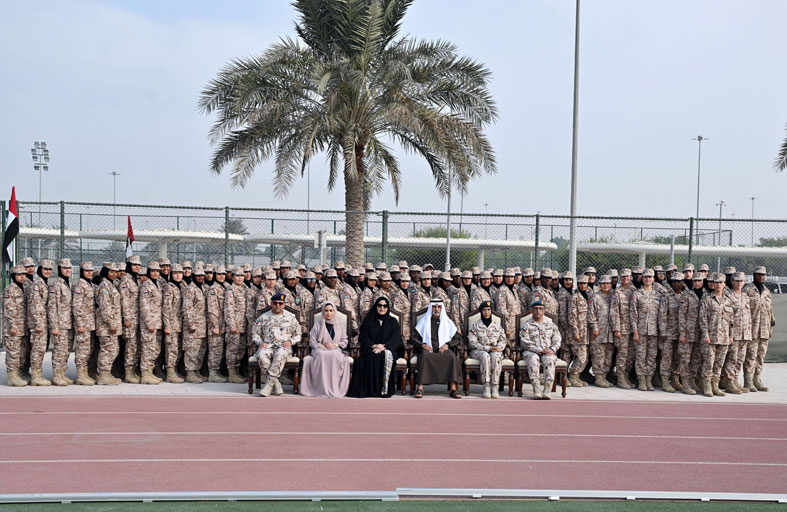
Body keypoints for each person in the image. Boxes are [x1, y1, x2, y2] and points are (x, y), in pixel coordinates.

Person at [348, 296, 403, 398]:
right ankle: (371, 390)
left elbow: (396, 338)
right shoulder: (368, 320)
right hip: (371, 348)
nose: (382, 308)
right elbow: (363, 337)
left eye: (385, 306)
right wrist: (374, 345)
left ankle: (382, 389)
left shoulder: (393, 321)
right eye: (379, 305)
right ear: (376, 307)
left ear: (388, 308)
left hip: (389, 349)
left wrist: (384, 347)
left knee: (383, 356)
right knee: (365, 360)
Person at [411, 299, 463, 399]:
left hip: (443, 349)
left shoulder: (447, 322)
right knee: (425, 356)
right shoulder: (424, 321)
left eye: (439, 307)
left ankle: (453, 389)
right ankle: (420, 388)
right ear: (430, 308)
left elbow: (457, 338)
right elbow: (413, 337)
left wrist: (447, 345)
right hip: (428, 349)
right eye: (434, 307)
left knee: (452, 357)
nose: (436, 309)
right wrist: (423, 345)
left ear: (442, 308)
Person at [251, 293, 300, 397]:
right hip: (268, 346)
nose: (278, 305)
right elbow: (254, 333)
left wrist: (290, 341)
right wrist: (260, 342)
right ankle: (276, 383)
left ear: (284, 305)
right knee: (261, 354)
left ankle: (269, 385)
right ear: (271, 304)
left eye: (280, 303)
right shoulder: (263, 317)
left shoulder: (291, 318)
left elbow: (298, 335)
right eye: (275, 303)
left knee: (280, 353)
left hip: (284, 347)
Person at [300, 302, 351, 397]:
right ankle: (321, 387)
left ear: (334, 312)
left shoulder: (340, 325)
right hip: (320, 349)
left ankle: (333, 387)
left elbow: (345, 341)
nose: (328, 313)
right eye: (326, 311)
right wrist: (323, 347)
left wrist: (335, 345)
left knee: (334, 354)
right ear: (323, 312)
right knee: (322, 354)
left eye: (331, 311)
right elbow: (312, 341)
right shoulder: (317, 325)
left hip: (335, 349)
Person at [699, 273, 734, 397]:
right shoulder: (707, 299)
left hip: (724, 337)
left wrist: (731, 335)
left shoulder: (728, 301)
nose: (718, 285)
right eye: (716, 282)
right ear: (712, 284)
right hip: (710, 337)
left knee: (719, 363)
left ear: (724, 284)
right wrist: (705, 334)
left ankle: (715, 385)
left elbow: (731, 321)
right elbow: (702, 319)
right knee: (709, 362)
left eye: (721, 282)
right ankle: (707, 386)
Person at [520, 300, 562, 399]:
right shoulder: (526, 325)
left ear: (544, 311)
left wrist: (552, 349)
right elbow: (524, 341)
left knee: (550, 359)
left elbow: (557, 340)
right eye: (535, 309)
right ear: (531, 310)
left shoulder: (550, 325)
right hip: (531, 352)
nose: (538, 311)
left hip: (548, 352)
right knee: (533, 359)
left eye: (540, 309)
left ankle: (547, 390)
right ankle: (537, 390)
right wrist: (540, 350)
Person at [743, 266, 774, 392]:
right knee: (751, 356)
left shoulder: (767, 291)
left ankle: (757, 379)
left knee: (760, 357)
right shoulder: (747, 290)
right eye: (758, 274)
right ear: (754, 275)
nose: (761, 277)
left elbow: (770, 311)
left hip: (764, 330)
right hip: (752, 330)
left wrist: (770, 327)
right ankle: (748, 381)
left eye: (763, 275)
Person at [467, 301, 507, 399]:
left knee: (496, 356)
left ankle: (495, 386)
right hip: (478, 351)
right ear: (481, 312)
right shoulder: (475, 326)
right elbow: (473, 342)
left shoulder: (497, 326)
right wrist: (487, 348)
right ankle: (486, 386)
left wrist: (498, 348)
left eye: (489, 310)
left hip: (495, 351)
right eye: (484, 310)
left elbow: (503, 340)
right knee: (485, 356)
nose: (486, 312)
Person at [630, 269, 660, 391]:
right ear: (642, 279)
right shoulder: (637, 294)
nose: (648, 279)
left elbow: (661, 315)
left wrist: (661, 331)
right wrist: (635, 331)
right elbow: (633, 314)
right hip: (641, 330)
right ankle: (641, 379)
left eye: (650, 277)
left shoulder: (658, 295)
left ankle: (649, 380)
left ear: (653, 279)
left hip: (654, 331)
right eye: (645, 277)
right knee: (641, 356)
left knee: (651, 356)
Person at [587, 274, 619, 388]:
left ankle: (604, 376)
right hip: (599, 332)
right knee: (598, 355)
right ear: (599, 285)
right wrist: (594, 327)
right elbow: (591, 315)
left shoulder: (613, 297)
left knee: (608, 355)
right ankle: (598, 377)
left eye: (608, 283)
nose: (606, 286)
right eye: (603, 284)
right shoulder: (595, 297)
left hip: (610, 332)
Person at [723, 272, 751, 394]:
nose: (739, 283)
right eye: (736, 281)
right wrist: (729, 334)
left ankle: (735, 379)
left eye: (741, 281)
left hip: (745, 333)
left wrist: (749, 332)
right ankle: (729, 382)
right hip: (734, 334)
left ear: (744, 282)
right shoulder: (728, 296)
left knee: (740, 359)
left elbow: (748, 316)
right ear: (732, 282)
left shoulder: (745, 297)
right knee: (732, 358)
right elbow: (727, 317)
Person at [26, 259, 52, 386]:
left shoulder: (44, 283)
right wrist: (39, 323)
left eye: (49, 269)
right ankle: (36, 377)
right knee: (37, 349)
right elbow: (35, 305)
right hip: (38, 324)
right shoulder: (37, 284)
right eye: (45, 269)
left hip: (43, 323)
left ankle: (37, 374)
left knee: (41, 349)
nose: (47, 271)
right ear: (40, 270)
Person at [48, 259, 74, 386]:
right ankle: (57, 376)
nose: (68, 270)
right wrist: (54, 326)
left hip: (69, 323)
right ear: (59, 270)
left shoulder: (69, 283)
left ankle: (62, 373)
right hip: (60, 324)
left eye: (69, 268)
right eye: (65, 268)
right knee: (59, 351)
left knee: (66, 350)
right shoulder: (56, 285)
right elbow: (52, 307)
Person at [95, 263, 122, 385]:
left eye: (116, 272)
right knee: (107, 349)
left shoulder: (111, 284)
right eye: (111, 272)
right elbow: (105, 307)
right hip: (106, 326)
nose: (114, 274)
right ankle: (103, 374)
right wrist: (111, 323)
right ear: (105, 272)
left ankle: (107, 372)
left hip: (112, 324)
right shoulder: (104, 286)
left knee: (113, 349)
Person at [138, 262, 164, 384]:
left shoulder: (158, 284)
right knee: (148, 348)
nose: (155, 273)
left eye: (157, 271)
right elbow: (144, 306)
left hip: (157, 322)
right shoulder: (146, 286)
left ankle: (149, 371)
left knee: (154, 348)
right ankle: (145, 373)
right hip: (149, 324)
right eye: (153, 271)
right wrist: (149, 323)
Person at [72, 261, 97, 386]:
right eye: (86, 271)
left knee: (89, 349)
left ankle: (86, 373)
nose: (89, 273)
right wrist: (80, 324)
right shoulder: (80, 286)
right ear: (82, 272)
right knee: (82, 350)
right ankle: (81, 375)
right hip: (84, 324)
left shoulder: (90, 284)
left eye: (91, 271)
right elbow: (77, 306)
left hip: (91, 323)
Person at [183, 266, 208, 383]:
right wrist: (191, 325)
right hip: (193, 326)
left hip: (202, 325)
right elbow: (187, 308)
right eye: (198, 275)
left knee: (200, 350)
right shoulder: (190, 289)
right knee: (191, 349)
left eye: (202, 275)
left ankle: (196, 370)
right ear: (193, 276)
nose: (200, 277)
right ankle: (190, 372)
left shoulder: (203, 288)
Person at [4, 266, 28, 386]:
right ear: (14, 276)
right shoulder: (10, 290)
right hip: (13, 328)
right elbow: (9, 309)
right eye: (19, 275)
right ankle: (12, 377)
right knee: (13, 352)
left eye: (24, 274)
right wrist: (13, 325)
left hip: (22, 327)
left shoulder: (24, 288)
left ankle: (18, 374)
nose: (22, 277)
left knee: (21, 353)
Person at [119, 255, 141, 383]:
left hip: (137, 317)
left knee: (136, 345)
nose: (137, 267)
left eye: (138, 265)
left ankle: (133, 369)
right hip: (130, 319)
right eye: (134, 265)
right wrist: (126, 318)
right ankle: (128, 372)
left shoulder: (136, 279)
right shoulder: (125, 280)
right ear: (129, 266)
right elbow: (124, 300)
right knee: (131, 346)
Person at [224, 267, 249, 384]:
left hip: (244, 325)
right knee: (232, 349)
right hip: (234, 326)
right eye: (237, 276)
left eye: (241, 276)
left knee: (241, 349)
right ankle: (231, 373)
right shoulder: (230, 290)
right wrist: (232, 325)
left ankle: (237, 371)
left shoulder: (245, 289)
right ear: (232, 277)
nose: (240, 278)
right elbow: (228, 309)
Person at [162, 264, 185, 383]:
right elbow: (166, 308)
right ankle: (170, 372)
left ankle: (174, 369)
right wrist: (167, 325)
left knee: (178, 349)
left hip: (180, 324)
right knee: (171, 349)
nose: (178, 275)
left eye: (180, 273)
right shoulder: (169, 288)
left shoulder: (182, 286)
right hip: (172, 323)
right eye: (175, 273)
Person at [206, 267, 229, 383]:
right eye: (219, 274)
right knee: (215, 349)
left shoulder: (225, 286)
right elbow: (212, 309)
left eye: (223, 274)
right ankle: (213, 373)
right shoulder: (213, 289)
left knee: (220, 350)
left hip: (224, 323)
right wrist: (215, 325)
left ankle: (217, 371)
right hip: (217, 324)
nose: (221, 276)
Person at [567, 275, 590, 387]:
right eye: (580, 283)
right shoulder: (575, 297)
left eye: (584, 283)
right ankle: (572, 376)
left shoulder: (588, 295)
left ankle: (576, 376)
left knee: (585, 358)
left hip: (586, 332)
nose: (582, 285)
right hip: (577, 333)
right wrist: (575, 332)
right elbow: (572, 316)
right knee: (581, 357)